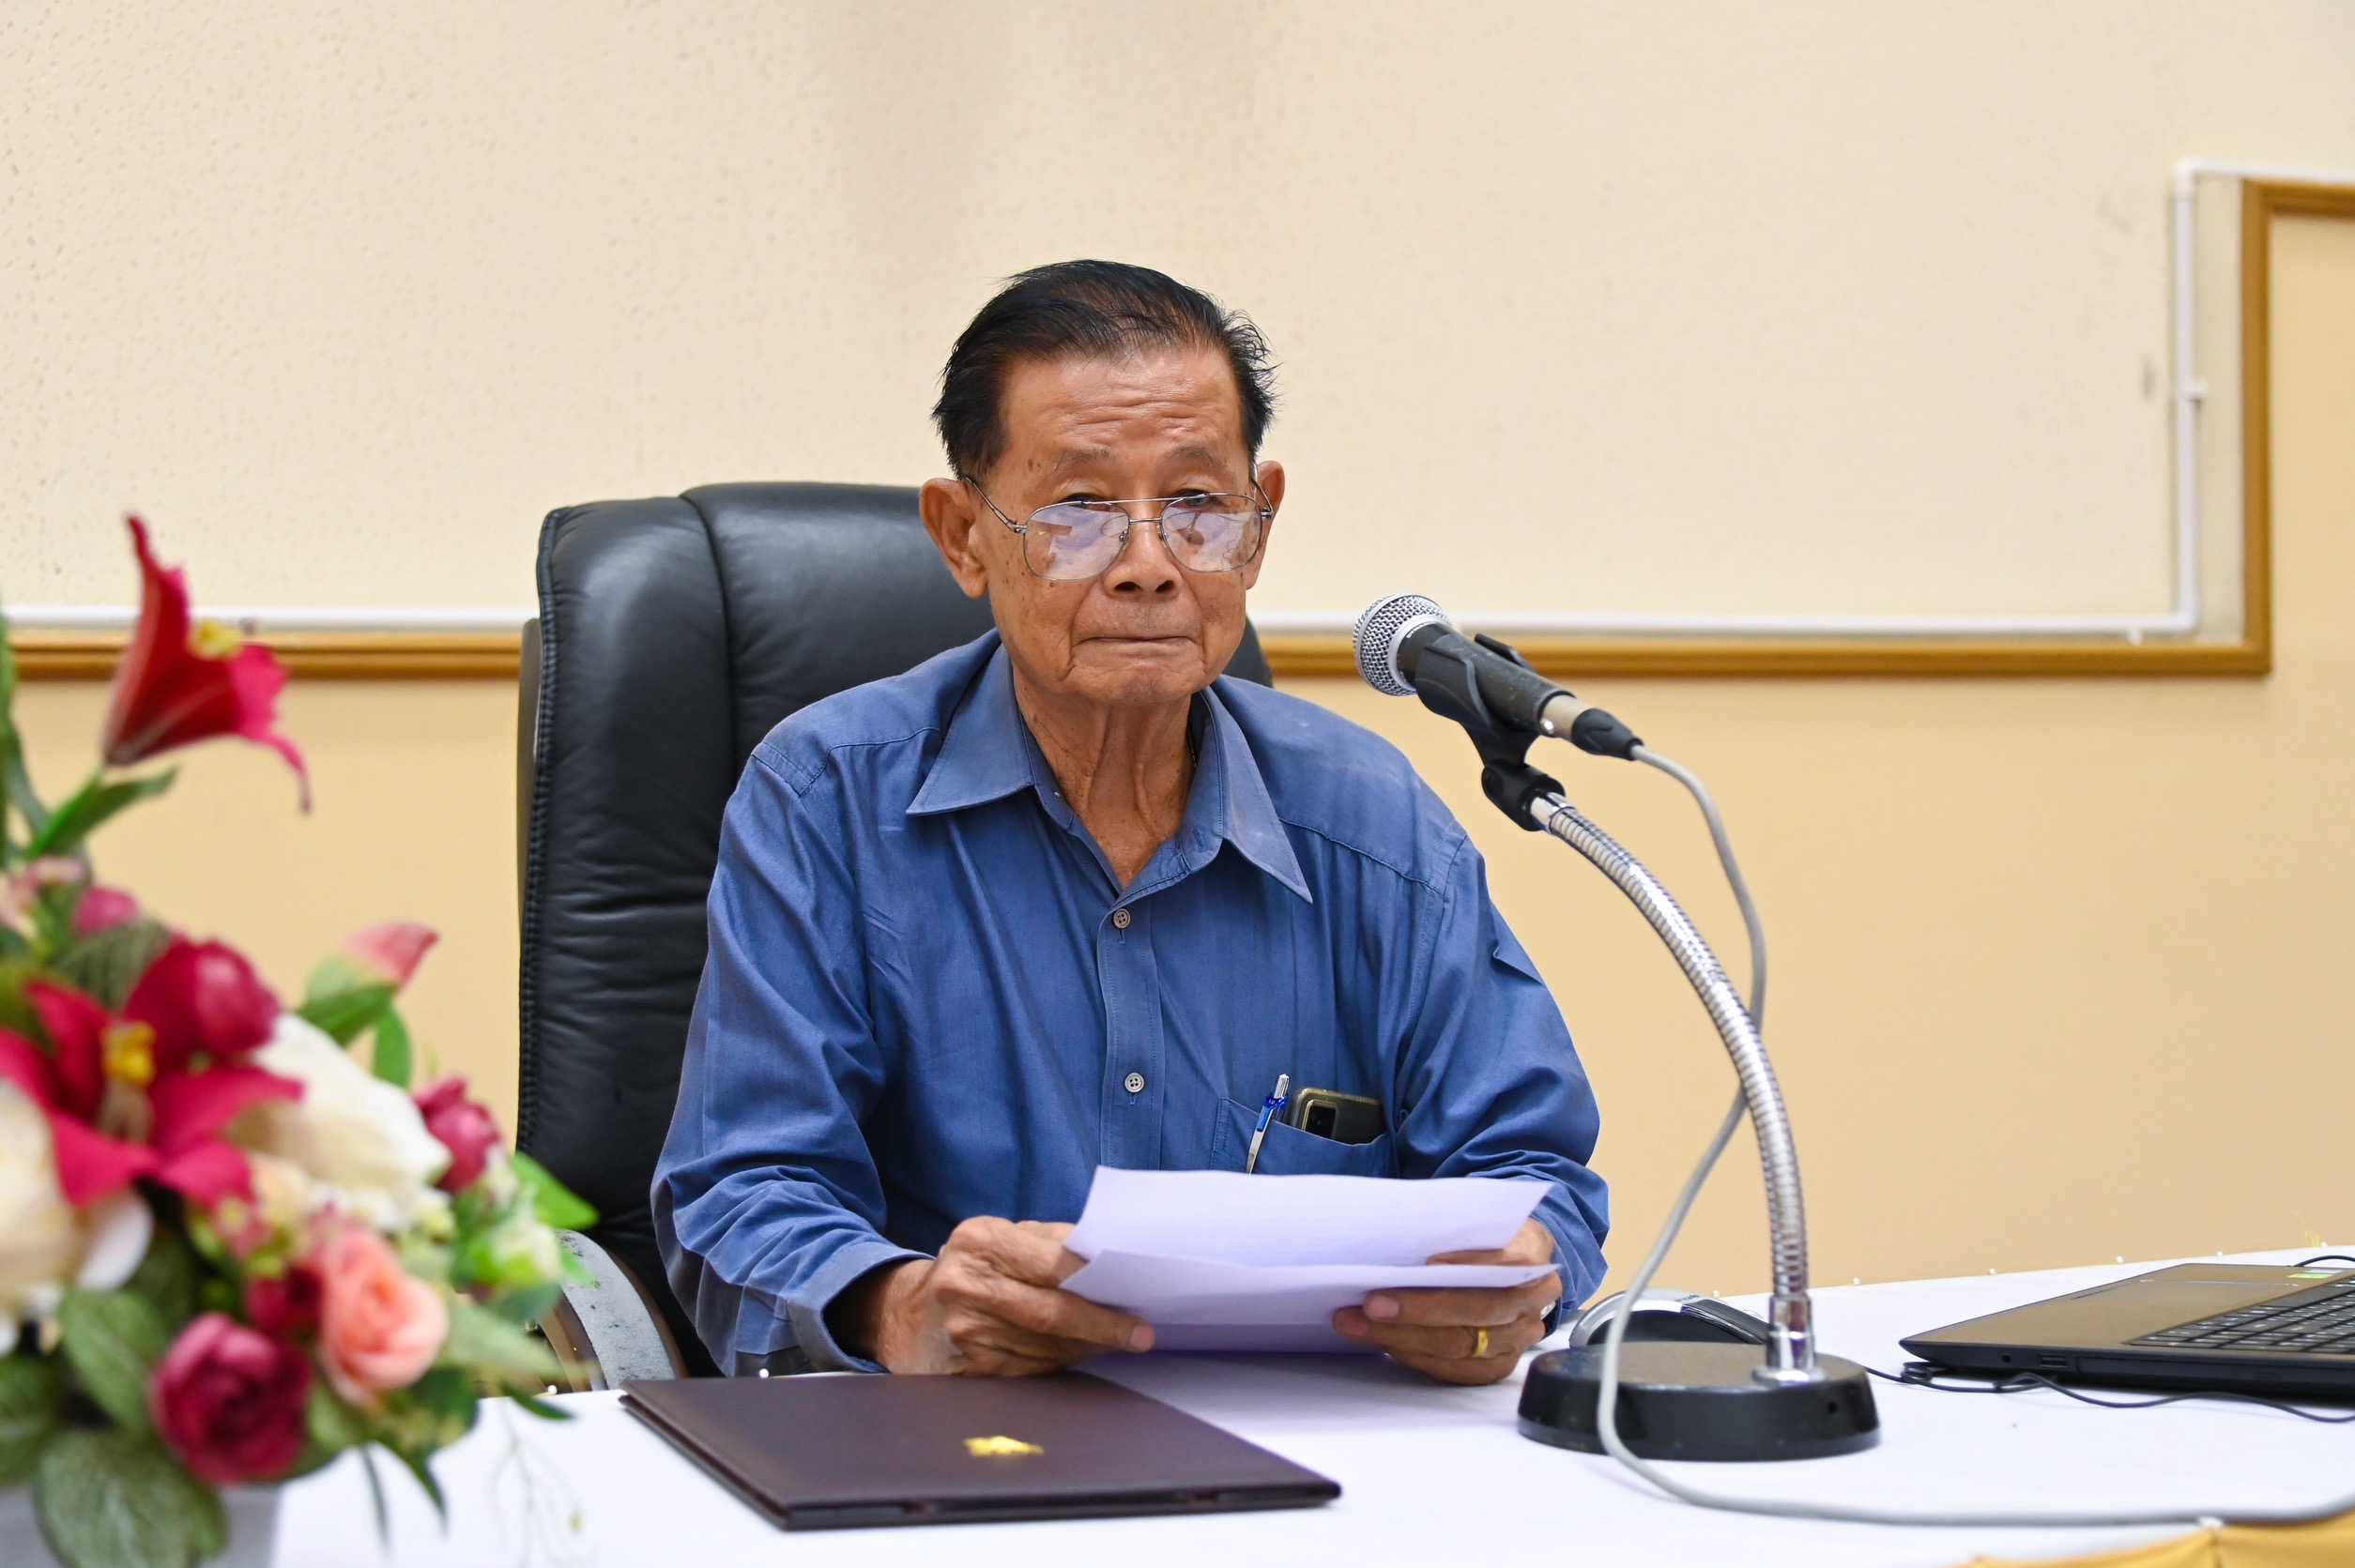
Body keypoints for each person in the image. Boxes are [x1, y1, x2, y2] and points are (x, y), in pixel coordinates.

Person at [652, 260, 1608, 1384]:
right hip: (962, 1442)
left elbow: (1533, 1174)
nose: (1148, 566)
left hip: (1317, 1439)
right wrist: (898, 1306)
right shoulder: (827, 801)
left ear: (1257, 530)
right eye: (1079, 511)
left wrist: (1510, 1280)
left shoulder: (1369, 817)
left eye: (1198, 507)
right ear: (961, 534)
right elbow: (744, 1191)